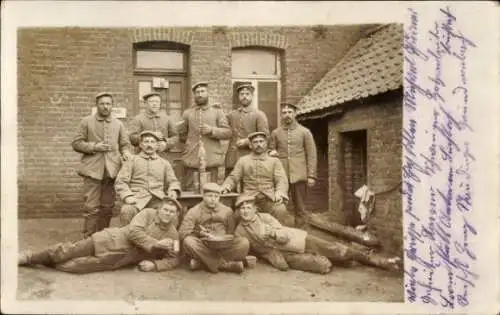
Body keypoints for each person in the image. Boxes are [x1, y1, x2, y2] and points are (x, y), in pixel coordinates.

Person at [234, 194, 402, 273]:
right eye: (242, 208)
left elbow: (283, 235)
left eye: (248, 207)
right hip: (284, 255)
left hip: (296, 241)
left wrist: (273, 233)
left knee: (338, 250)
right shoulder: (240, 230)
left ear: (255, 209)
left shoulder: (265, 218)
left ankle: (377, 261)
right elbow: (246, 249)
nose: (245, 211)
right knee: (322, 266)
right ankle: (342, 261)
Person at [18, 197, 183, 274]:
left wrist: (155, 265)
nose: (168, 214)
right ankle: (29, 257)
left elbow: (174, 258)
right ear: (159, 209)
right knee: (67, 251)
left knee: (74, 267)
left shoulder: (173, 234)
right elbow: (133, 232)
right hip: (108, 240)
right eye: (166, 209)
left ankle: (46, 261)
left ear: (175, 215)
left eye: (172, 212)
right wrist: (155, 244)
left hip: (119, 258)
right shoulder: (147, 213)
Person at [71, 92, 133, 238]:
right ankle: (88, 239)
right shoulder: (86, 122)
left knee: (107, 207)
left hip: (111, 171)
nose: (105, 107)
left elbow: (124, 144)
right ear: (97, 105)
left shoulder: (118, 124)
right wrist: (94, 147)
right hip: (92, 170)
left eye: (108, 104)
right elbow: (76, 143)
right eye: (102, 104)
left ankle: (102, 238)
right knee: (91, 207)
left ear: (112, 106)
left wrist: (125, 152)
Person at [221, 132, 291, 225]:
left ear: (266, 144)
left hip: (269, 197)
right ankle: (243, 236)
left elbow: (281, 179)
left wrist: (280, 192)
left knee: (280, 210)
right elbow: (234, 176)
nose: (259, 144)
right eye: (255, 142)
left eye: (261, 141)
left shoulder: (274, 161)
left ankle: (277, 235)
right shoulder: (243, 160)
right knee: (238, 214)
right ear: (250, 145)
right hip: (249, 196)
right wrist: (227, 186)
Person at [179, 182, 249, 274]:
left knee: (244, 243)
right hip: (203, 245)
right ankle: (224, 265)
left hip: (223, 246)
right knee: (188, 242)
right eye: (210, 196)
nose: (213, 199)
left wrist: (222, 239)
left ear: (219, 197)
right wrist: (200, 233)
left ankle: (202, 263)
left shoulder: (227, 211)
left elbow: (231, 232)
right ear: (203, 196)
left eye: (216, 196)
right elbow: (182, 232)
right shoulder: (194, 211)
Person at [115, 130, 181, 226]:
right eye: (146, 142)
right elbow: (121, 182)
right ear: (141, 145)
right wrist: (127, 196)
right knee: (126, 210)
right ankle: (127, 238)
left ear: (157, 146)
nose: (149, 145)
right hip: (137, 198)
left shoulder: (164, 163)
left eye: (152, 142)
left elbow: (173, 181)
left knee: (171, 213)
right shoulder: (132, 161)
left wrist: (173, 191)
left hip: (158, 199)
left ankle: (167, 239)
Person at [269, 103, 317, 229]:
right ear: (281, 115)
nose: (287, 115)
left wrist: (311, 175)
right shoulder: (276, 133)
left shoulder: (305, 132)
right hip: (281, 175)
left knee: (300, 206)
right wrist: (271, 152)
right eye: (284, 112)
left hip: (299, 174)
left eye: (290, 112)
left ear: (295, 113)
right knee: (280, 205)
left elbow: (311, 154)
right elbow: (270, 150)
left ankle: (301, 232)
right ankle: (280, 231)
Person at [178, 82, 232, 190]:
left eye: (202, 91)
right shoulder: (187, 113)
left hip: (211, 160)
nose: (200, 94)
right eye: (197, 92)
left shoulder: (217, 112)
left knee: (211, 190)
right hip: (192, 160)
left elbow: (228, 132)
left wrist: (212, 130)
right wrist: (191, 142)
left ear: (208, 93)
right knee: (190, 190)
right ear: (194, 95)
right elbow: (182, 135)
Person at [225, 83, 269, 176]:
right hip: (232, 159)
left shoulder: (259, 115)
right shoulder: (232, 114)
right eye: (242, 94)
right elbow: (223, 126)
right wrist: (217, 110)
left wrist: (247, 141)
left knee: (247, 186)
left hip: (249, 157)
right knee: (229, 186)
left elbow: (265, 136)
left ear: (252, 96)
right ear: (238, 97)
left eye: (247, 94)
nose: (244, 96)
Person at [128, 92, 178, 160]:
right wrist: (151, 135)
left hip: (163, 157)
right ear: (145, 103)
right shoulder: (138, 119)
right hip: (143, 158)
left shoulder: (167, 118)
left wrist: (166, 144)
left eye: (157, 101)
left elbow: (175, 136)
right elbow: (132, 138)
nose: (155, 104)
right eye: (151, 101)